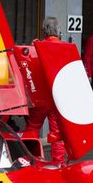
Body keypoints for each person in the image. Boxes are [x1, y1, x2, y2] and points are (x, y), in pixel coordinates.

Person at [25, 17, 67, 165]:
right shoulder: (65, 48)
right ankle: (58, 163)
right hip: (57, 97)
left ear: (44, 31)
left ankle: (27, 159)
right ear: (58, 31)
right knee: (57, 133)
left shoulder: (37, 46)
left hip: (41, 97)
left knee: (32, 128)